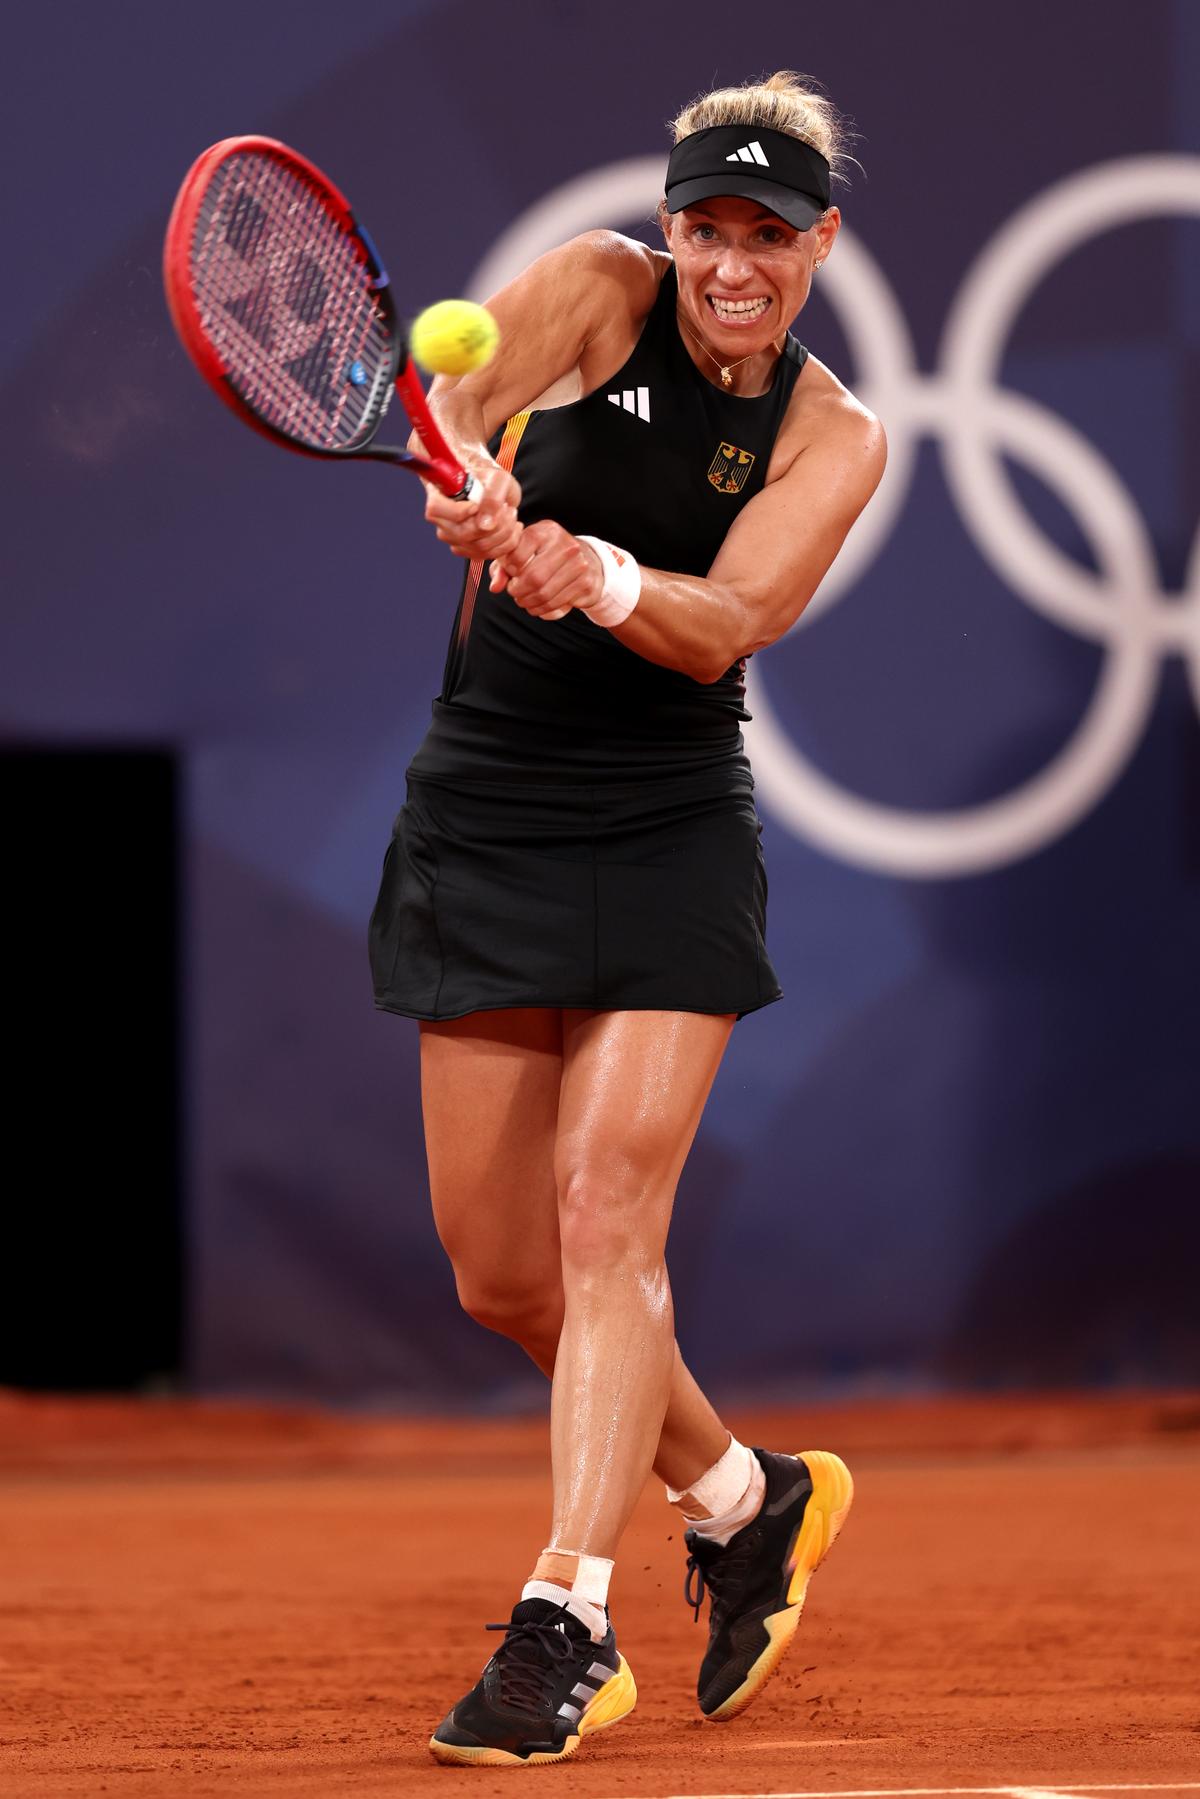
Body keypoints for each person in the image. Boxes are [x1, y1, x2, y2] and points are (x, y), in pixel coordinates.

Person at [367, 71, 886, 1768]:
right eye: (708, 228)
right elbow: (444, 412)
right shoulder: (599, 287)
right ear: (671, 231)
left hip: (665, 824)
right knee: (506, 1273)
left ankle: (563, 1623)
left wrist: (586, 568)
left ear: (821, 244)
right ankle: (747, 1497)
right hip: (489, 807)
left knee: (606, 1219)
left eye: (771, 234)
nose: (733, 263)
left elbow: (731, 616)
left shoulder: (837, 434)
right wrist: (468, 495)